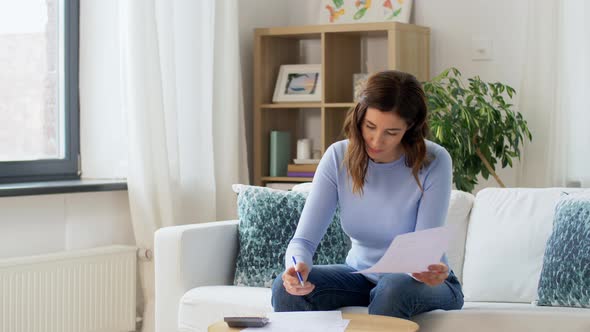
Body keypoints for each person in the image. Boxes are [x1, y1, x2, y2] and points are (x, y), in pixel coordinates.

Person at [271, 70, 464, 319]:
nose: (376, 140)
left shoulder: (434, 160)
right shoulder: (338, 157)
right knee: (284, 289)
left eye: (391, 132)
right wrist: (296, 269)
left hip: (421, 283)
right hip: (359, 277)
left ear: (410, 128)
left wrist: (426, 270)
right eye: (370, 126)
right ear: (359, 117)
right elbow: (303, 242)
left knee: (392, 288)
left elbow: (422, 252)